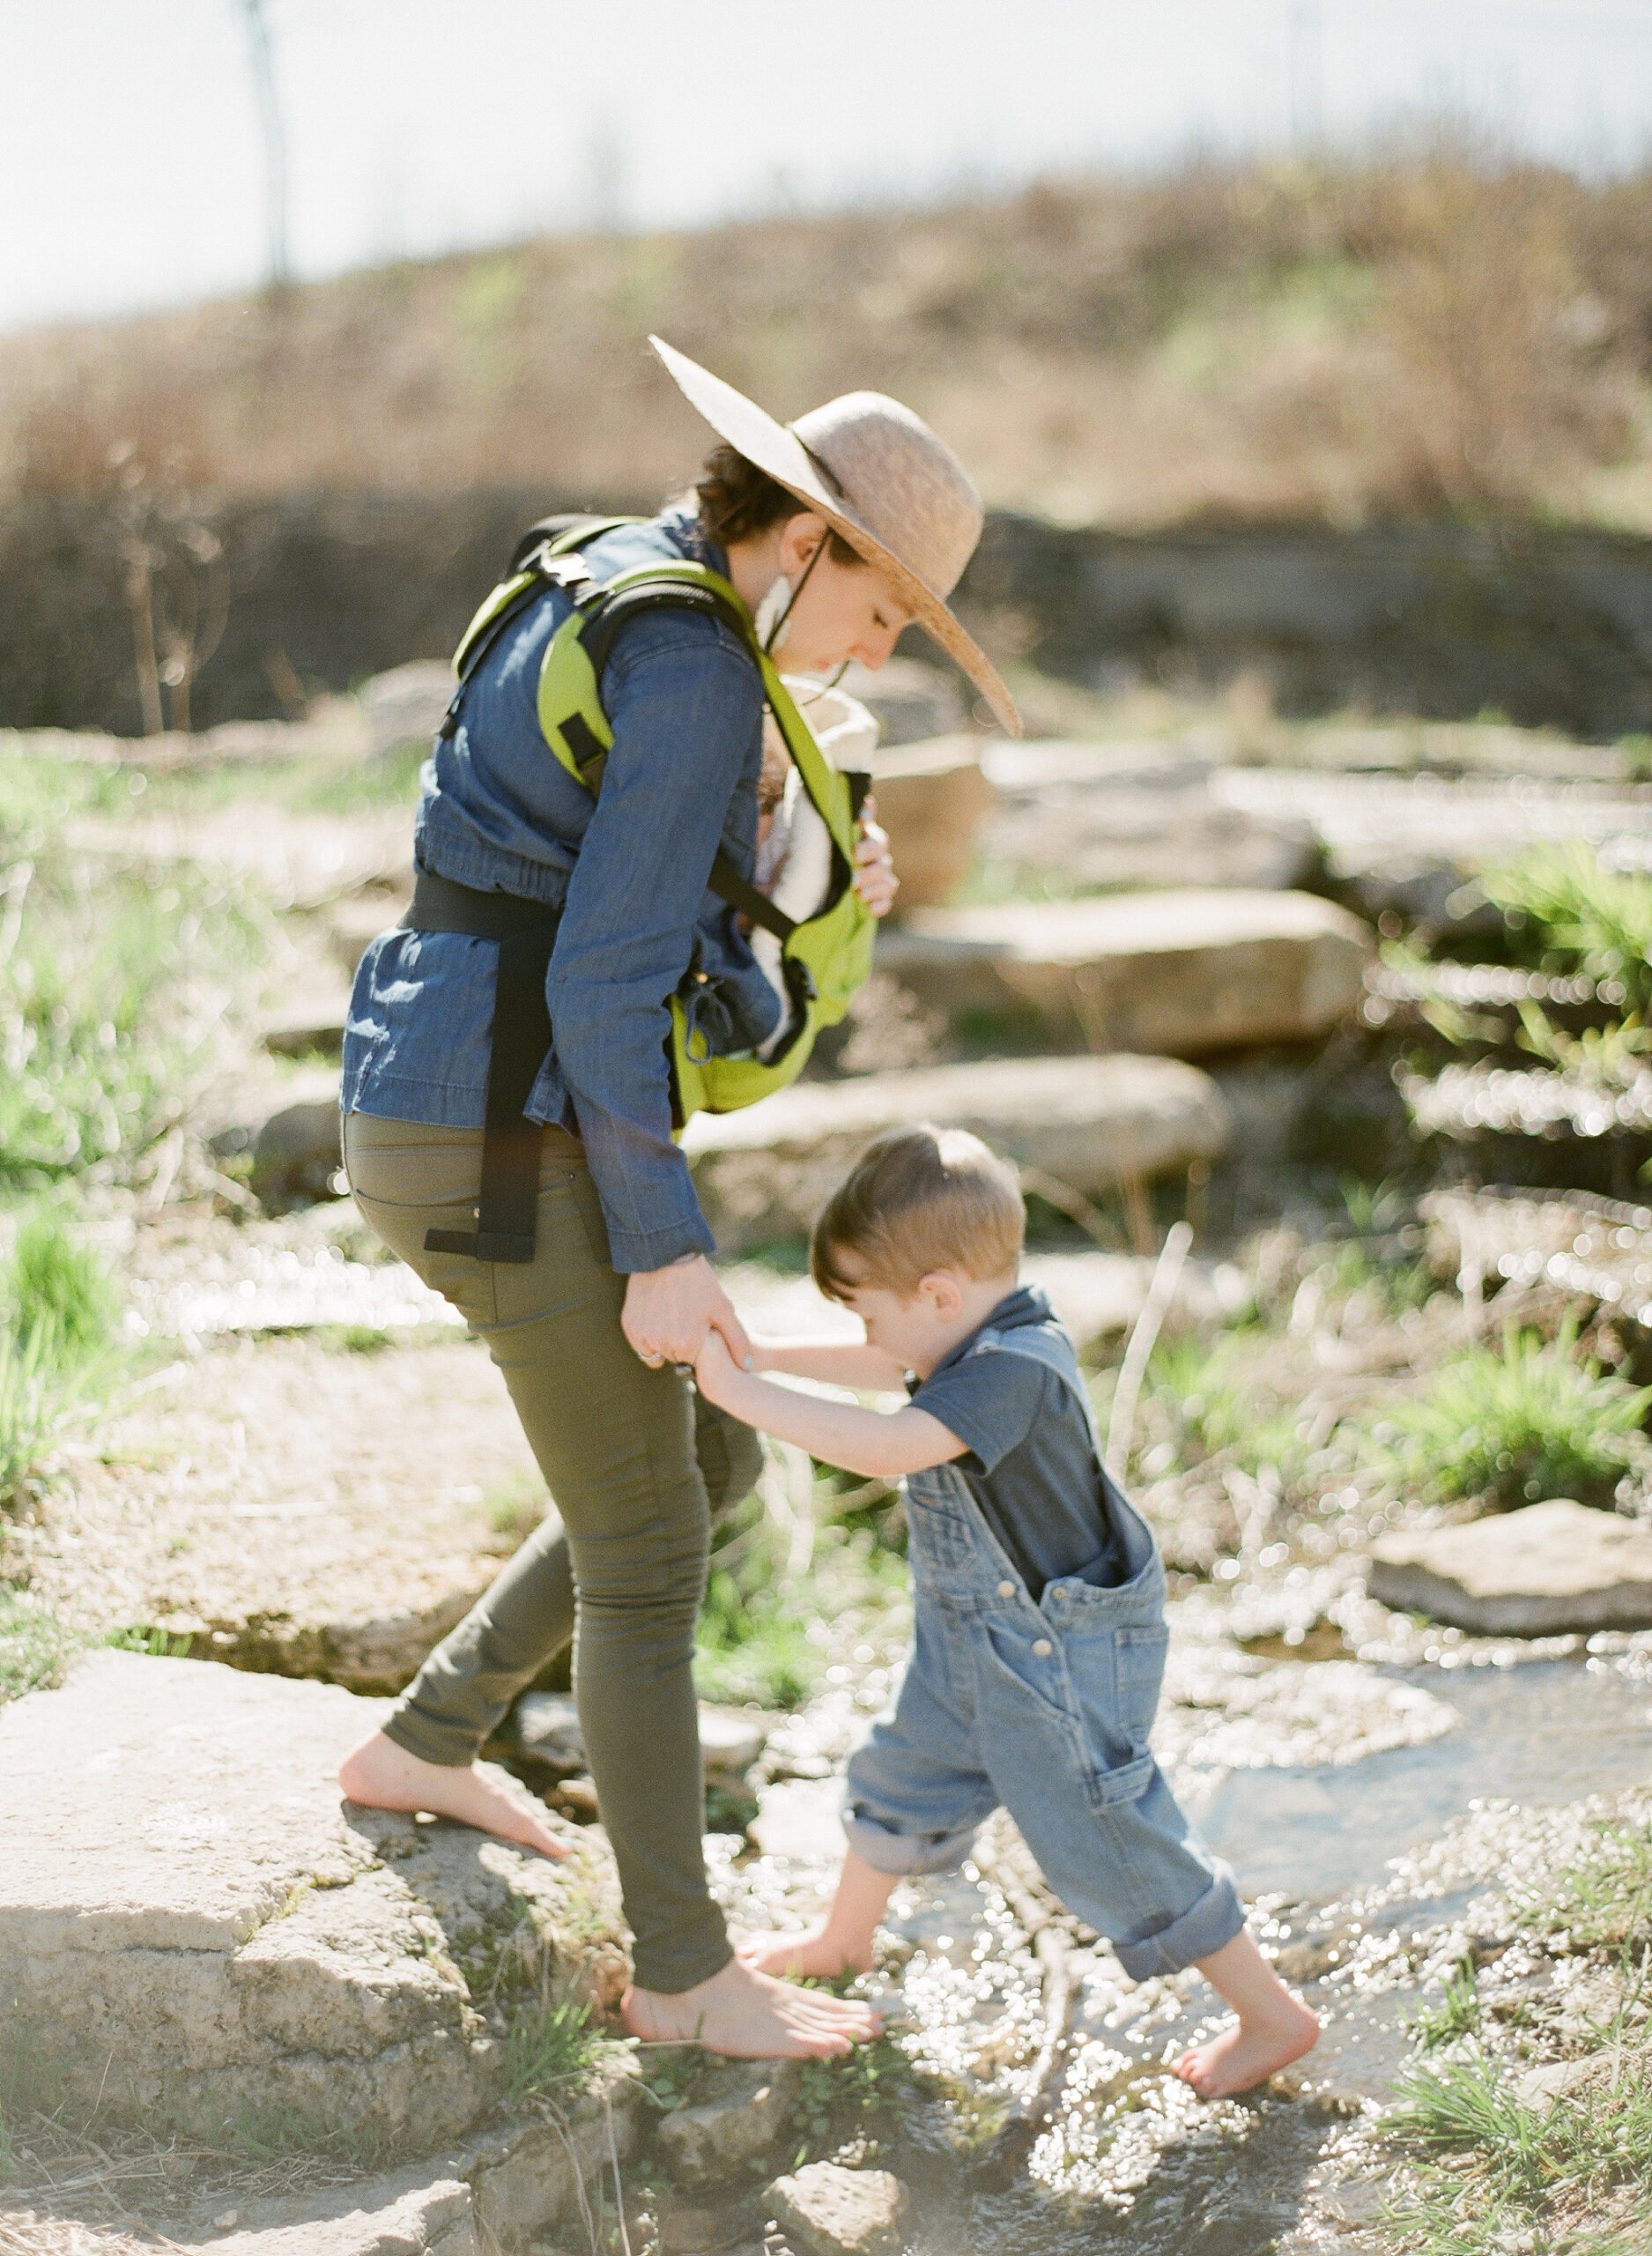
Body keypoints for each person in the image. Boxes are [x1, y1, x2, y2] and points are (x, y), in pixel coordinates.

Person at [334, 338, 1021, 2062]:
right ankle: (684, 1974)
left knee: (704, 1450)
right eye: (881, 616)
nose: (875, 653)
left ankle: (426, 1736)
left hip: (438, 1091)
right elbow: (604, 977)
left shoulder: (607, 573)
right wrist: (664, 1242)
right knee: (651, 1547)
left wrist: (799, 860)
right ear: (806, 544)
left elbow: (590, 890)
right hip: (509, 1129)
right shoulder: (703, 668)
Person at [691, 1125, 1320, 2100]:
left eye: (864, 1314)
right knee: (899, 1771)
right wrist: (767, 1352)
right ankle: (842, 1938)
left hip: (1057, 1655)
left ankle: (1270, 2013)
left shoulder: (1014, 1369)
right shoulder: (965, 1332)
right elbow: (889, 1367)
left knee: (1111, 1834)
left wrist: (738, 1392)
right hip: (974, 1645)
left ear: (939, 1296)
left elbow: (892, 1444)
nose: (866, 1340)